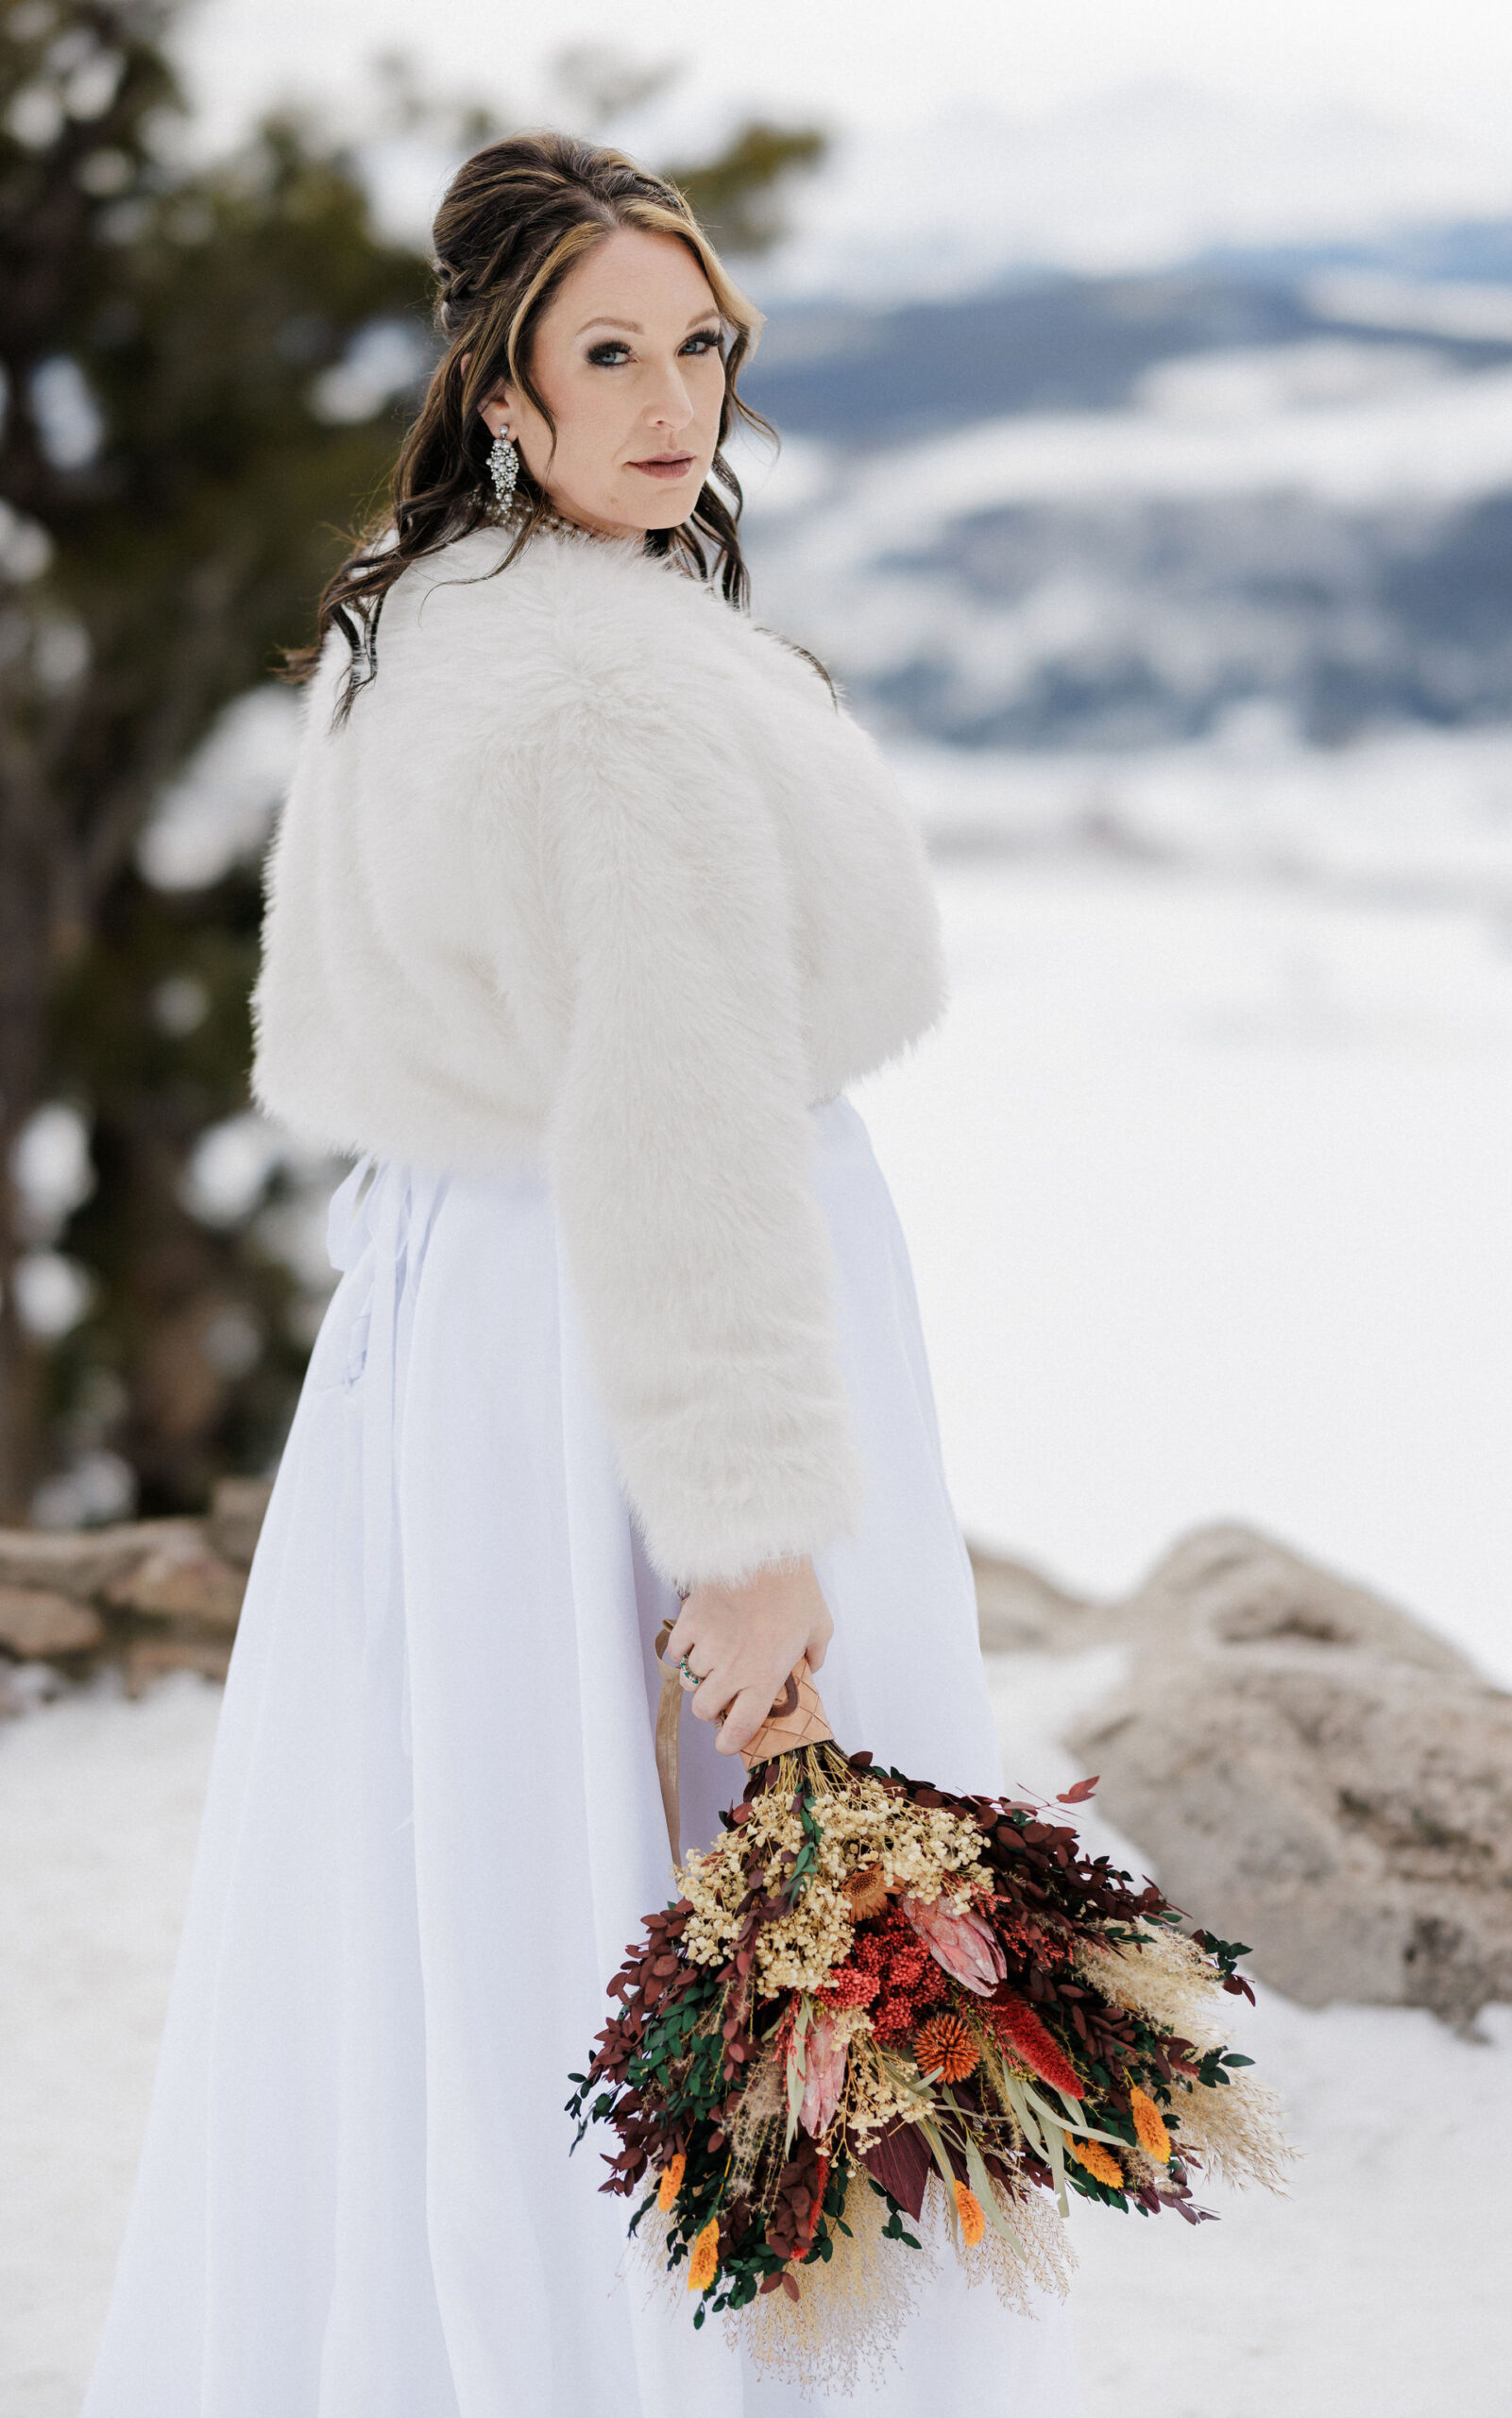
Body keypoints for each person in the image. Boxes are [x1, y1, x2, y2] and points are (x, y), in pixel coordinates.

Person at [81, 132, 1079, 2415]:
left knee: (489, 1893)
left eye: (697, 344)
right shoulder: (612, 694)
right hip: (634, 1340)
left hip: (469, 1336)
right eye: (602, 353)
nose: (667, 399)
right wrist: (743, 1543)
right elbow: (672, 1134)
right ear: (502, 389)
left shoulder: (427, 611)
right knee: (680, 1916)